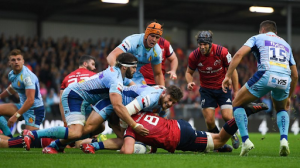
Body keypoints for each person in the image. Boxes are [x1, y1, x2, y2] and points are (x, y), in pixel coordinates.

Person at [23, 53, 148, 153]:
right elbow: (117, 105)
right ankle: (32, 134)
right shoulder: (115, 79)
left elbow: (135, 88)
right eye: (133, 67)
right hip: (75, 96)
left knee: (99, 127)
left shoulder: (118, 74)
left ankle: (57, 145)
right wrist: (135, 125)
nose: (135, 70)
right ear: (124, 67)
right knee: (75, 131)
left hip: (83, 99)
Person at [222, 20, 298, 156]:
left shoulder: (257, 37)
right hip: (284, 78)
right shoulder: (286, 44)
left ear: (262, 30)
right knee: (281, 108)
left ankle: (245, 141)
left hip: (266, 73)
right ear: (276, 32)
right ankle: (284, 140)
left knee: (237, 103)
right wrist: (289, 97)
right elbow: (296, 75)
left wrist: (227, 76)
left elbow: (238, 55)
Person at [81, 103, 267, 154]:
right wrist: (151, 147)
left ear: (117, 123)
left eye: (114, 128)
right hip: (178, 125)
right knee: (215, 139)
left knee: (220, 138)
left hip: (179, 137)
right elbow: (155, 132)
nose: (116, 132)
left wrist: (132, 148)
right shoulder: (139, 113)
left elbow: (127, 150)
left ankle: (244, 113)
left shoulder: (130, 129)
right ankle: (220, 148)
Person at [80, 84, 183, 153]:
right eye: (169, 100)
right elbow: (126, 111)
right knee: (87, 129)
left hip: (121, 111)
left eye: (173, 102)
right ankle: (66, 140)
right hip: (111, 103)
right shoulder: (150, 98)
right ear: (164, 93)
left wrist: (154, 145)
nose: (170, 104)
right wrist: (133, 127)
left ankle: (92, 146)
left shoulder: (163, 104)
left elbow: (161, 127)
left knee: (123, 141)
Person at [185, 30, 240, 149]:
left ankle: (233, 134)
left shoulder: (222, 52)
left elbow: (233, 70)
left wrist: (236, 90)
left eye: (205, 44)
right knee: (209, 121)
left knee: (227, 116)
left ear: (210, 43)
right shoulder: (194, 56)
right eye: (200, 44)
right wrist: (189, 82)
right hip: (206, 90)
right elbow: (189, 72)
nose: (202, 47)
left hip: (223, 88)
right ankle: (219, 145)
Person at [0, 49, 45, 137]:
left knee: (29, 140)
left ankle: (58, 142)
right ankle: (8, 135)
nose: (16, 62)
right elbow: (13, 88)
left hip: (34, 111)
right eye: (13, 60)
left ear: (23, 61)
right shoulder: (11, 74)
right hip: (22, 106)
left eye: (18, 59)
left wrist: (15, 116)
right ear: (9, 62)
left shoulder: (27, 77)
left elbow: (30, 100)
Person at [106, 21, 165, 86]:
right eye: (152, 36)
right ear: (147, 34)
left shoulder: (157, 51)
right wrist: (118, 74)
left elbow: (158, 74)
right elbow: (111, 56)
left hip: (135, 75)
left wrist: (163, 91)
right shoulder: (132, 41)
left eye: (157, 37)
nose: (154, 39)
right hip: (120, 71)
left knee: (144, 92)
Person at [59, 55, 97, 127]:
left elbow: (61, 101)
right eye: (92, 64)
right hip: (88, 111)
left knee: (74, 135)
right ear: (85, 64)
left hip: (72, 112)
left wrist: (64, 121)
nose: (94, 67)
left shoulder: (66, 78)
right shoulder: (94, 76)